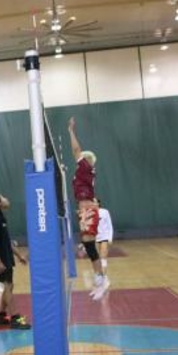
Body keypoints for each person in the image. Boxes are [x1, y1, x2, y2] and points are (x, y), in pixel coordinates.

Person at [68, 117, 109, 300]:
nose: (79, 158)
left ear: (87, 160)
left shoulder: (85, 166)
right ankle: (99, 279)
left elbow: (76, 150)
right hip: (85, 210)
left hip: (89, 210)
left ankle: (102, 279)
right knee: (88, 245)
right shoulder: (83, 172)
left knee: (90, 246)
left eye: (83, 157)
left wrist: (70, 131)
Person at [0, 193, 31, 329]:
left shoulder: (1, 218)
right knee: (8, 286)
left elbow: (6, 242)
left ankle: (1, 315)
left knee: (9, 286)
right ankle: (15, 318)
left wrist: (19, 255)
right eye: (3, 197)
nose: (7, 199)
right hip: (1, 259)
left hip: (6, 257)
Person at [94, 198, 113, 272]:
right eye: (92, 202)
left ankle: (104, 275)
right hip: (95, 238)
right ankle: (100, 274)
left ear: (98, 203)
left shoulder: (105, 212)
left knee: (103, 256)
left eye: (95, 202)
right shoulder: (90, 213)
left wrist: (110, 238)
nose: (94, 204)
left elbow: (109, 225)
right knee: (97, 257)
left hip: (104, 237)